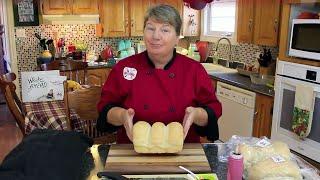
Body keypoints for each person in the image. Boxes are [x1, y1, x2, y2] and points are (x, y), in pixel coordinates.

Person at [97, 4, 222, 143]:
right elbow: (105, 108)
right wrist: (122, 115)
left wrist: (196, 114)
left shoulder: (194, 70)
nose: (155, 36)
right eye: (150, 28)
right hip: (132, 149)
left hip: (183, 150)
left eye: (165, 30)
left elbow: (213, 109)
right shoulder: (124, 67)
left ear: (177, 38)